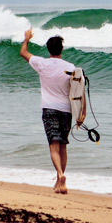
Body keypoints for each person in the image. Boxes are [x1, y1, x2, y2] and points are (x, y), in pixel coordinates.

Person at [20, 27, 76, 194]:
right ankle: (60, 181)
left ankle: (60, 175)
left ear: (48, 50)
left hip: (49, 108)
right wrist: (81, 114)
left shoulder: (42, 63)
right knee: (63, 146)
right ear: (61, 49)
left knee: (54, 146)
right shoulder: (71, 67)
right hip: (66, 110)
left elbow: (23, 53)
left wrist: (27, 39)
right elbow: (77, 91)